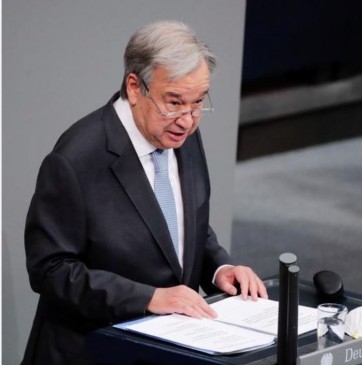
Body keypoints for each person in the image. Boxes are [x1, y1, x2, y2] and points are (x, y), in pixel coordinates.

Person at [22, 20, 268, 365]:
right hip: (92, 351)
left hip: (167, 349)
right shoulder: (75, 160)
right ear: (135, 88)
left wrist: (218, 269)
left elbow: (183, 226)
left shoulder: (181, 134)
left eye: (198, 102)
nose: (188, 119)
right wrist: (149, 297)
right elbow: (51, 269)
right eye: (175, 102)